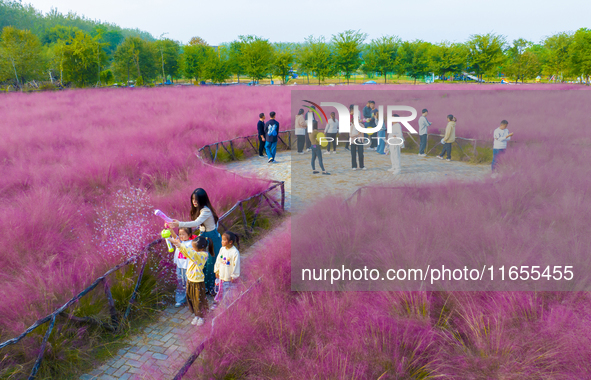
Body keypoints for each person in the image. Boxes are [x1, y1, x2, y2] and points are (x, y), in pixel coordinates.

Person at [167, 188, 222, 295]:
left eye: (197, 200)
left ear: (202, 200)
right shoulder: (200, 210)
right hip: (204, 236)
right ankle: (205, 287)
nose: (194, 202)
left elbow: (196, 223)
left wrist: (179, 224)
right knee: (203, 263)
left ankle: (211, 288)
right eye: (193, 199)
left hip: (211, 237)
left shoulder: (205, 210)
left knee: (211, 264)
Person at [172, 236, 211, 326]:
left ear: (200, 248)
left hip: (197, 282)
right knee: (192, 298)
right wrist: (178, 245)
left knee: (198, 299)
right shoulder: (195, 252)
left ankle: (201, 316)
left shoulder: (203, 255)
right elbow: (186, 252)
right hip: (190, 280)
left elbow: (191, 253)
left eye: (193, 247)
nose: (192, 248)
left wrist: (180, 245)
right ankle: (197, 315)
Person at [214, 231, 241, 306]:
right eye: (222, 239)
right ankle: (220, 302)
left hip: (228, 277)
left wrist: (234, 275)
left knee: (228, 292)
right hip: (222, 275)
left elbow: (236, 265)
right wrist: (217, 270)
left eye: (224, 240)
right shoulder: (222, 249)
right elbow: (218, 260)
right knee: (220, 290)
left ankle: (226, 306)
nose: (221, 241)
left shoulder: (235, 252)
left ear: (230, 242)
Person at [169, 227, 192, 307]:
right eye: (180, 234)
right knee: (180, 283)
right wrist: (170, 229)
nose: (181, 236)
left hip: (187, 267)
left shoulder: (191, 243)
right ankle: (180, 299)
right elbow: (174, 236)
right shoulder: (178, 241)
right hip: (179, 266)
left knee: (188, 283)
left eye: (183, 234)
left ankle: (191, 299)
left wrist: (179, 244)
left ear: (189, 235)